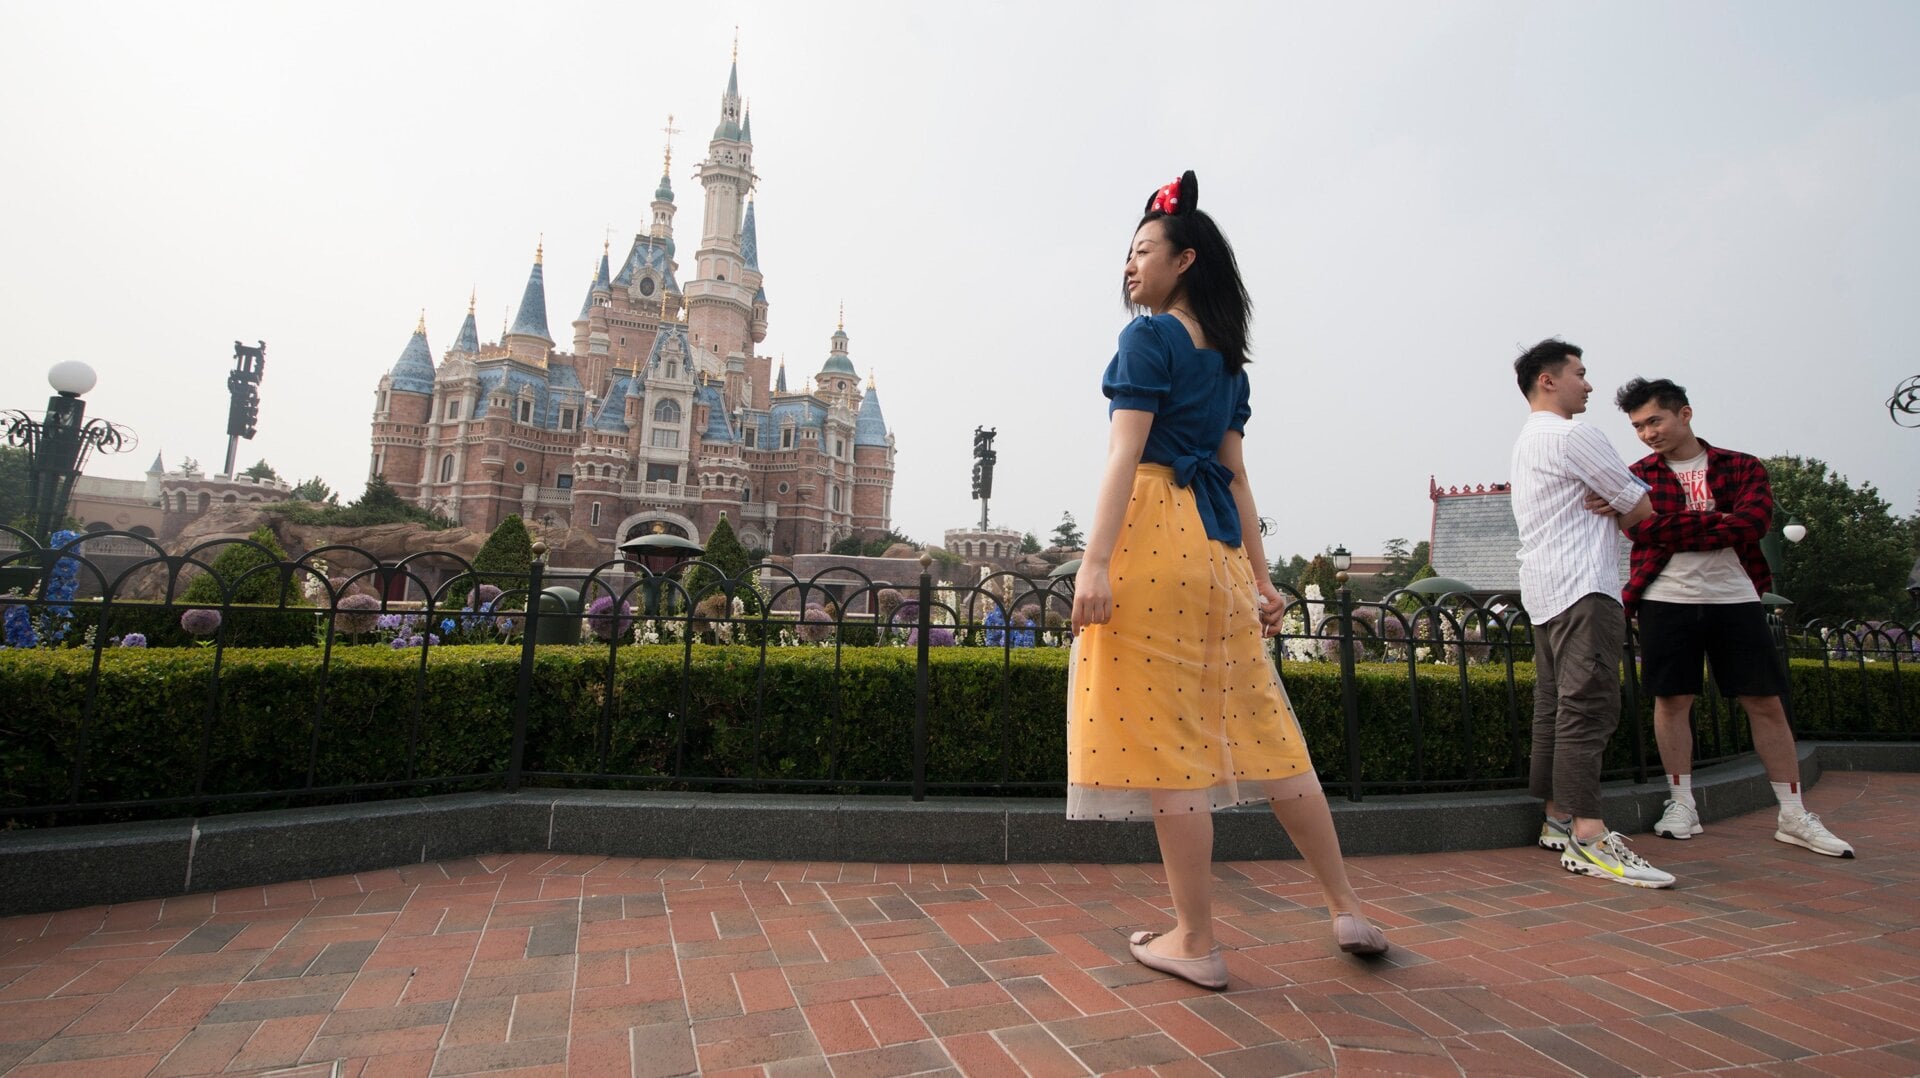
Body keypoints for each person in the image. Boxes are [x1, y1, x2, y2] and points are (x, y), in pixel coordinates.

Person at [1069, 171, 1387, 992]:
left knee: (1173, 751)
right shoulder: (1229, 365)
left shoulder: (1150, 340)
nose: (1131, 267)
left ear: (1187, 258)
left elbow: (1124, 453)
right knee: (1266, 730)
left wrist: (1095, 561)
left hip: (1153, 538)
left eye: (1145, 251)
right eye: (1129, 253)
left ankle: (1195, 939)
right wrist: (1263, 576)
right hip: (1213, 554)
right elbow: (1239, 478)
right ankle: (1346, 905)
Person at [1608, 377, 1853, 857]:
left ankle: (1793, 813)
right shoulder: (1636, 475)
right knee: (1672, 700)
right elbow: (1640, 533)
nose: (1647, 433)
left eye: (1654, 420)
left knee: (1765, 702)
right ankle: (1682, 803)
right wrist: (1715, 524)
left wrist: (1672, 528)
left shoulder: (1741, 466)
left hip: (1735, 596)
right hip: (1664, 597)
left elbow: (1754, 524)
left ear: (1685, 414)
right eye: (1638, 426)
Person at [1509, 340, 1676, 888]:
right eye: (1580, 373)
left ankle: (1558, 816)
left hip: (1544, 590)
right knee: (1590, 706)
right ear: (1548, 380)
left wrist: (1622, 500)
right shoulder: (1574, 434)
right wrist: (1624, 502)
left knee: (1556, 706)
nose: (1589, 384)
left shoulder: (1527, 442)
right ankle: (1589, 834)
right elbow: (1642, 509)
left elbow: (1628, 503)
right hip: (1586, 585)